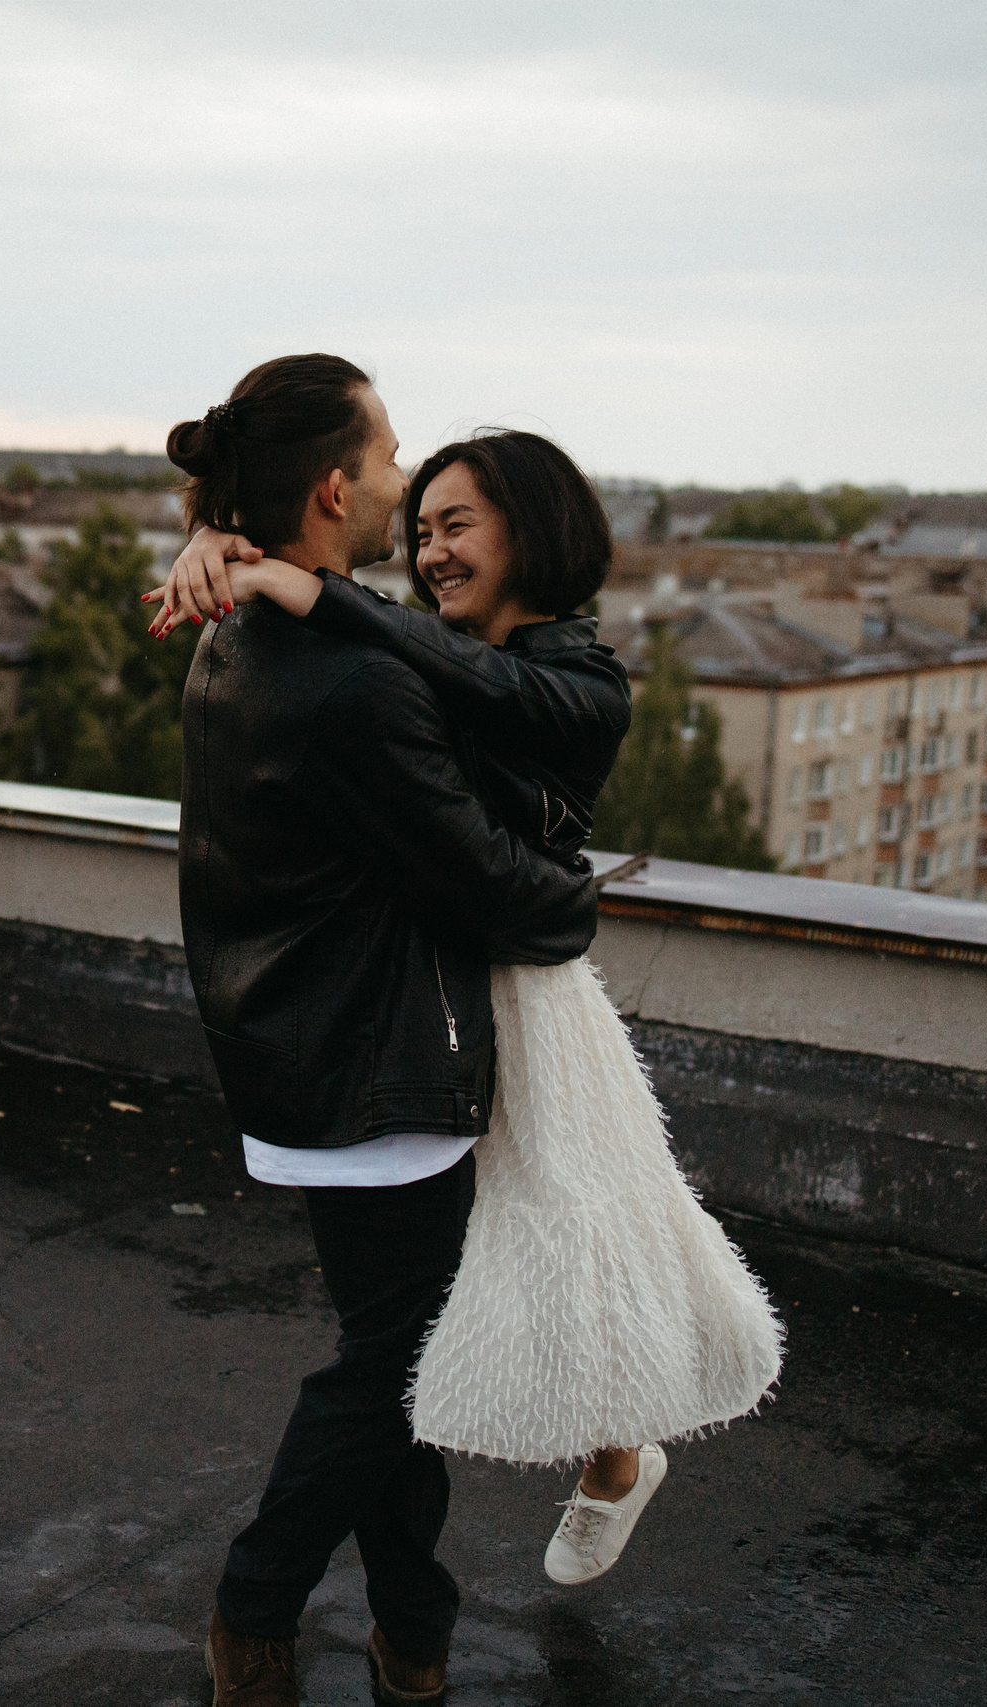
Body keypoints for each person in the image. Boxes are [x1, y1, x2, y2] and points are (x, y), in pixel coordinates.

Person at [152, 429, 783, 1598]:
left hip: (527, 998)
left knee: (570, 1247)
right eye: (422, 527)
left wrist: (318, 596)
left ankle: (608, 1461)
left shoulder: (579, 679)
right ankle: (454, 1573)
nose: (431, 552)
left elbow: (481, 685)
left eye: (459, 527)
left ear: (531, 534)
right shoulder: (419, 642)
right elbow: (362, 627)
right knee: (450, 1301)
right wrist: (219, 540)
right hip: (415, 996)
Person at [169, 361, 604, 1707]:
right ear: (333, 487)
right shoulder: (352, 680)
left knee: (397, 1355)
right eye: (392, 455)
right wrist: (577, 894)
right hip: (381, 1076)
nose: (408, 488)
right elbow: (488, 885)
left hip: (301, 1055)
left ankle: (415, 1630)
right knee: (396, 1372)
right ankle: (257, 1605)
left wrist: (213, 538)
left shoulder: (241, 631)